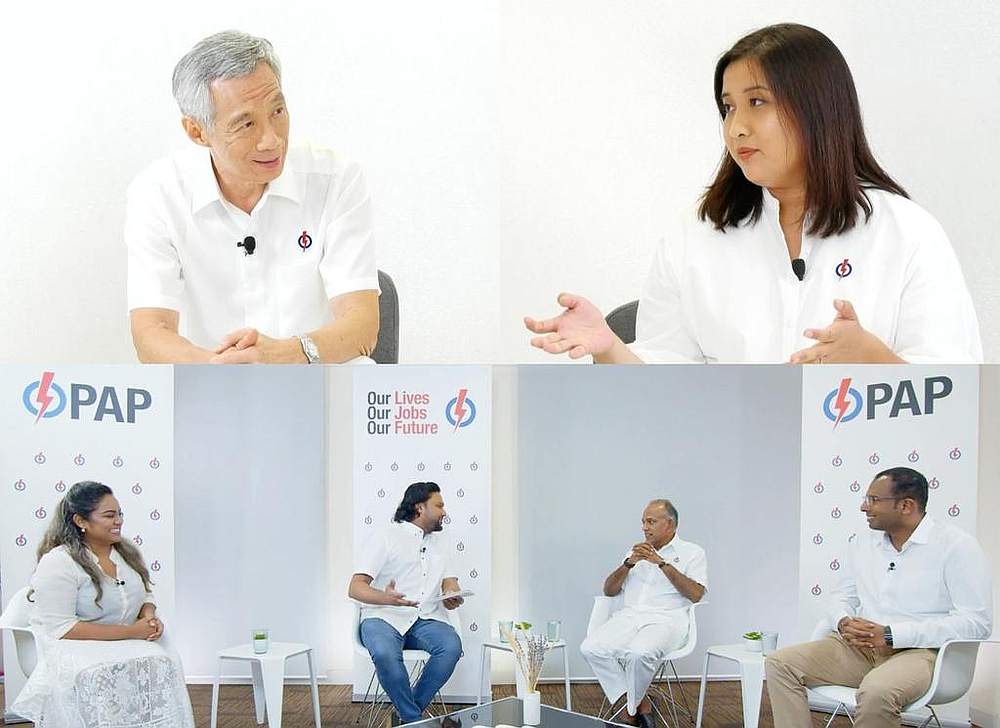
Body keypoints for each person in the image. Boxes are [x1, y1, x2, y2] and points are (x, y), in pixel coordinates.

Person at [524, 23, 981, 364]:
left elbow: (959, 395)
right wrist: (609, 348)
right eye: (727, 107)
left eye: (756, 102)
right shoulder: (696, 235)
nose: (735, 126)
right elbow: (667, 376)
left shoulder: (906, 232)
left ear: (817, 109)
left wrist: (873, 360)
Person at [127, 30, 380, 364]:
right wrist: (217, 370)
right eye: (246, 124)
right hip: (210, 393)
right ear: (197, 132)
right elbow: (150, 333)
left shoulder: (336, 179)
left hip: (320, 387)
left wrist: (287, 354)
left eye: (277, 112)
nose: (271, 141)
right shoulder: (157, 194)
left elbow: (362, 326)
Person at [765, 467, 993, 728]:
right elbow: (842, 595)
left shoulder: (956, 546)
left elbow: (977, 622)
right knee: (780, 663)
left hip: (921, 653)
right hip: (860, 648)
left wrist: (892, 634)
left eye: (873, 500)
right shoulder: (862, 543)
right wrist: (843, 621)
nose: (864, 507)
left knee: (876, 692)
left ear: (906, 506)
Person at [11, 481, 194, 728]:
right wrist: (132, 632)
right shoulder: (58, 562)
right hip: (73, 644)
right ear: (81, 521)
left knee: (163, 660)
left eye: (120, 514)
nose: (118, 520)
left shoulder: (126, 553)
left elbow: (145, 594)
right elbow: (62, 628)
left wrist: (148, 616)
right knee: (96, 672)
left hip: (123, 639)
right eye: (109, 515)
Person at [580, 500, 707, 728]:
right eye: (643, 522)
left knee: (638, 653)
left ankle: (627, 714)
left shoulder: (692, 552)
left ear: (670, 524)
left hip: (667, 620)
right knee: (590, 648)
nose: (645, 527)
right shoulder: (634, 552)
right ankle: (641, 704)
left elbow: (696, 594)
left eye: (651, 521)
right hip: (630, 617)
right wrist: (629, 563)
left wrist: (662, 563)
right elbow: (609, 590)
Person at [348, 482, 465, 724]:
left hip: (424, 620)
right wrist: (386, 598)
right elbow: (355, 587)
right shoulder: (385, 536)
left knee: (451, 646)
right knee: (384, 653)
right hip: (383, 617)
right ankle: (415, 721)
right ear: (420, 507)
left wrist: (452, 595)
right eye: (439, 505)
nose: (444, 511)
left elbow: (450, 582)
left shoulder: (441, 544)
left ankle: (405, 717)